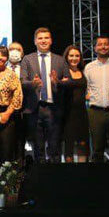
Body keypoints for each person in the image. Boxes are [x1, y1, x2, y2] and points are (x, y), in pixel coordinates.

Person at [21, 27, 68, 162]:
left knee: (55, 147)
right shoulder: (27, 59)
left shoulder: (60, 60)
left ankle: (55, 173)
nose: (43, 41)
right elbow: (22, 82)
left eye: (46, 38)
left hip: (54, 108)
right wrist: (33, 84)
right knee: (38, 149)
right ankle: (40, 174)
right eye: (40, 38)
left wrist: (58, 82)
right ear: (35, 41)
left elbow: (68, 81)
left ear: (51, 40)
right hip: (35, 109)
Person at [84, 35, 109, 175]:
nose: (103, 47)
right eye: (100, 44)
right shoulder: (89, 67)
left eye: (106, 44)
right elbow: (86, 89)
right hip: (95, 111)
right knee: (97, 149)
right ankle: (98, 179)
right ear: (95, 48)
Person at [59, 45, 89, 162]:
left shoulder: (83, 71)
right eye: (71, 55)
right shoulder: (63, 73)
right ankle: (69, 171)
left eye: (77, 56)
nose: (74, 58)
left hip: (82, 113)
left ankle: (82, 170)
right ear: (66, 57)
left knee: (82, 143)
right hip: (68, 113)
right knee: (69, 144)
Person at [8, 41, 27, 161]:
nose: (14, 52)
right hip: (5, 111)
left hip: (22, 111)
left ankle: (20, 167)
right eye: (11, 49)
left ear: (22, 53)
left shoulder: (27, 69)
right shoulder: (1, 69)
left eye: (18, 50)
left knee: (20, 142)